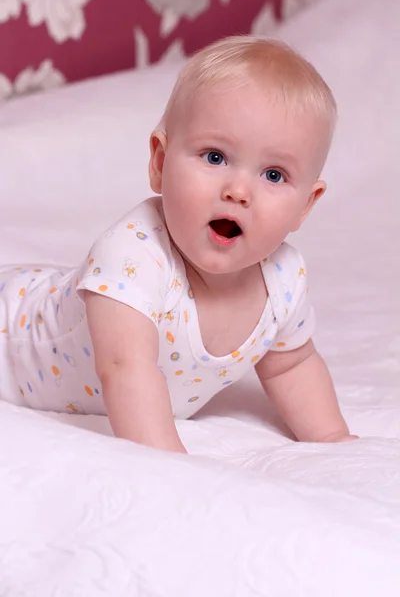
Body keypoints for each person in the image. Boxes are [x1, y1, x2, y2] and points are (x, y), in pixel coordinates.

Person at [0, 36, 357, 453]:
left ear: (305, 206)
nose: (239, 190)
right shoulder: (132, 255)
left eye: (274, 175)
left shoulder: (283, 279)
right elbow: (124, 367)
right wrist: (172, 466)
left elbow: (292, 365)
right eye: (215, 157)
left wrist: (333, 439)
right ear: (160, 163)